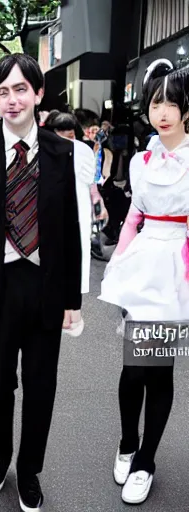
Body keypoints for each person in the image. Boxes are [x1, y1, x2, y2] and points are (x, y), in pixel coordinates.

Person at [0, 53, 82, 512]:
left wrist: (72, 297)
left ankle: (29, 470)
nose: (11, 100)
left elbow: (69, 229)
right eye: (2, 91)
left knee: (42, 384)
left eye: (20, 89)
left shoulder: (62, 152)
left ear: (39, 93)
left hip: (45, 283)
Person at [99, 59, 189, 505]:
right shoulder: (139, 160)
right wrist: (119, 260)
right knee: (135, 365)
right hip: (142, 265)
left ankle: (146, 461)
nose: (164, 111)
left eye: (173, 103)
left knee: (161, 369)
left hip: (177, 267)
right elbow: (134, 216)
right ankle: (126, 442)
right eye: (157, 103)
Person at [43, 111, 108, 296]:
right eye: (60, 137)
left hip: (76, 212)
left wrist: (98, 205)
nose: (66, 143)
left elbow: (92, 184)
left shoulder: (82, 150)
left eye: (70, 137)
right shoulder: (41, 150)